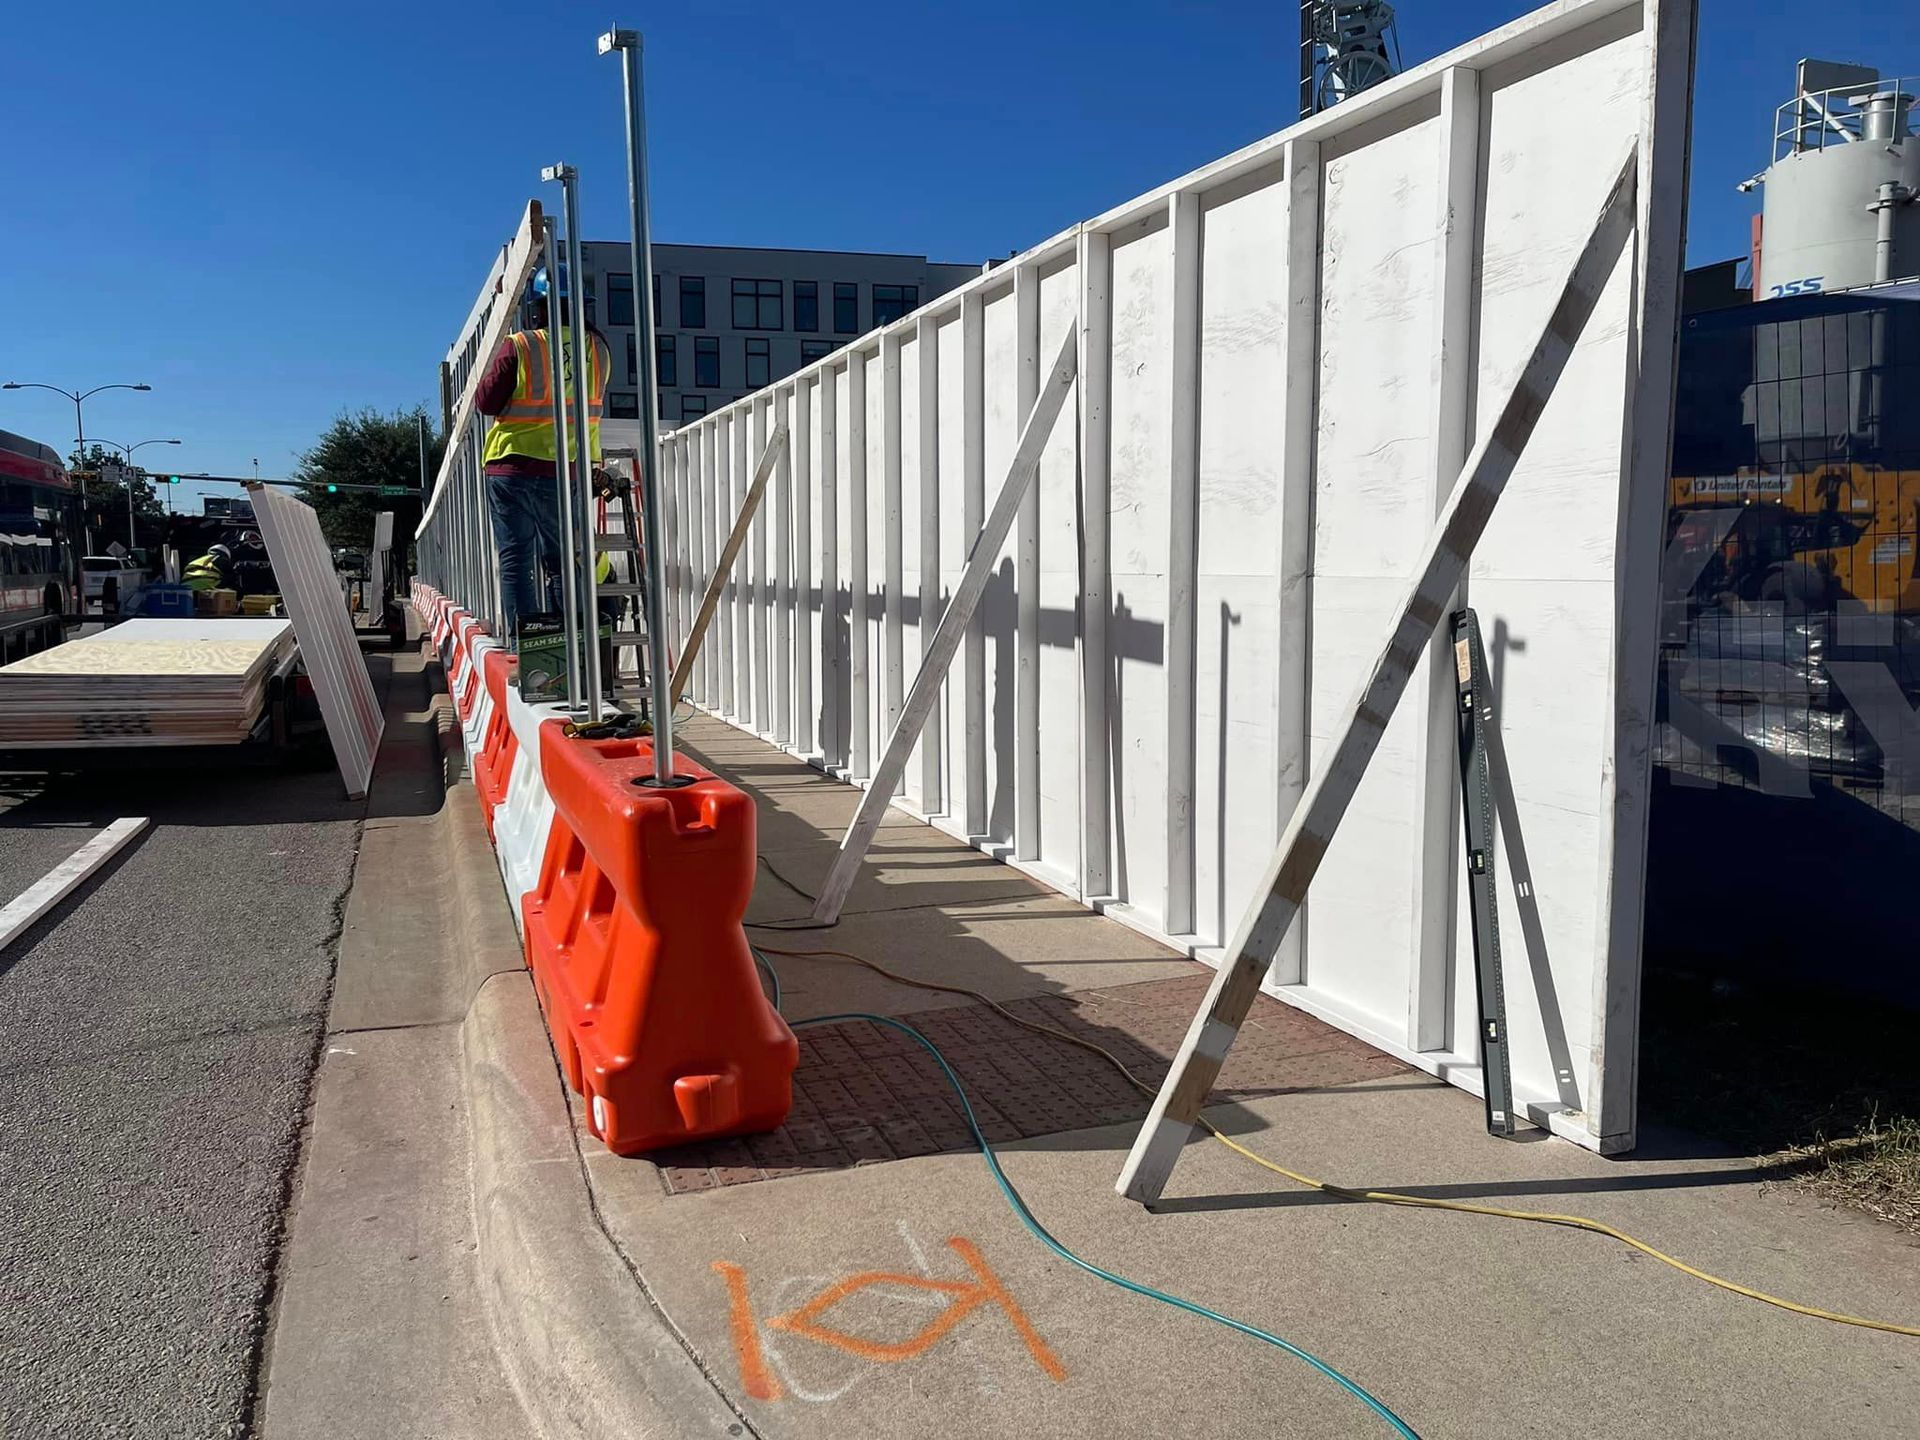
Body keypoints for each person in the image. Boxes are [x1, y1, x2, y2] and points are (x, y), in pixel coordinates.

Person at [474, 285, 612, 639]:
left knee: (517, 560)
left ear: (538, 308)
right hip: (565, 469)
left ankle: (531, 652)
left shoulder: (521, 344)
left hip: (511, 466)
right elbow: (591, 412)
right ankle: (577, 651)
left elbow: (486, 402)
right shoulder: (598, 349)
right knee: (565, 562)